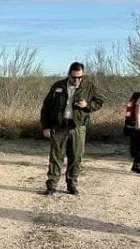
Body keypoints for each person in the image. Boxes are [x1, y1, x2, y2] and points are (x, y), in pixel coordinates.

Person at [39, 62, 106, 195]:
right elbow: (46, 107)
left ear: (83, 75)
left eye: (79, 77)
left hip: (78, 127)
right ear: (69, 74)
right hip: (59, 127)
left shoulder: (88, 86)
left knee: (76, 157)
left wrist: (87, 105)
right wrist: (45, 127)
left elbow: (99, 102)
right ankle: (51, 186)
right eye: (74, 77)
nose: (76, 80)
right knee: (56, 157)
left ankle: (72, 185)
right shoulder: (58, 86)